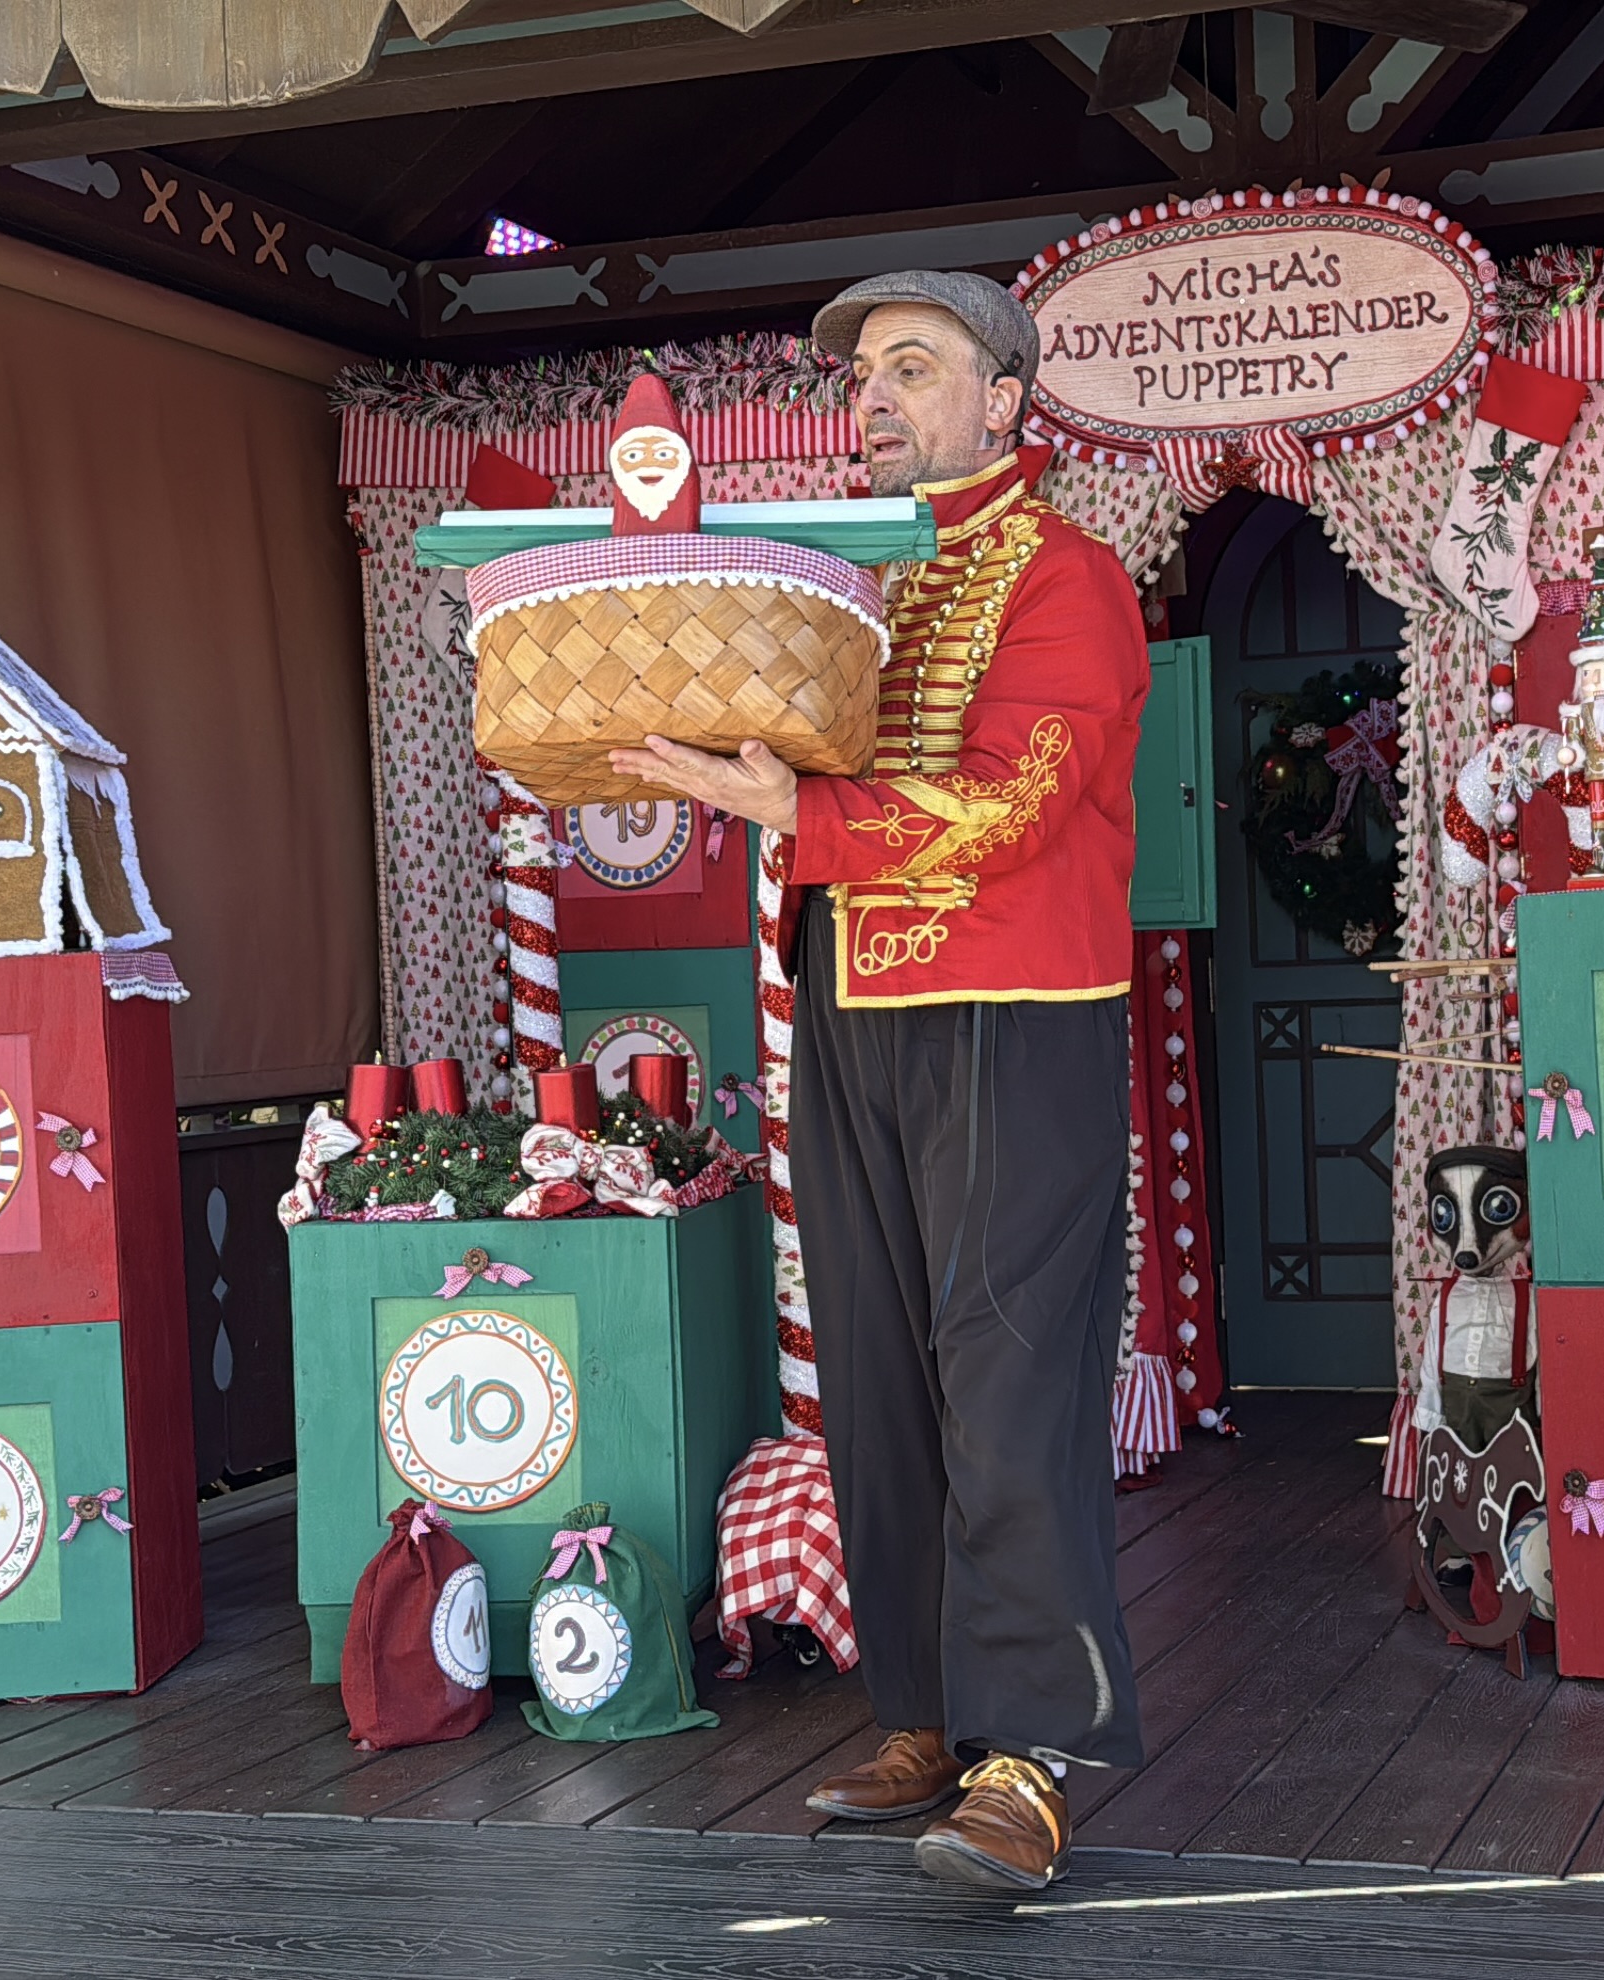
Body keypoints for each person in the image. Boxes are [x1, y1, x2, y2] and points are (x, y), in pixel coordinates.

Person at [606, 269, 1148, 1892]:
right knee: (881, 1375)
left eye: (917, 368)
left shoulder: (1069, 578)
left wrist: (797, 814)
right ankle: (926, 1707)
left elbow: (1017, 806)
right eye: (861, 377)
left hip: (1014, 1011)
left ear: (1007, 400)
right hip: (847, 1000)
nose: (877, 398)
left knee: (1008, 1378)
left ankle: (1036, 1751)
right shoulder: (847, 586)